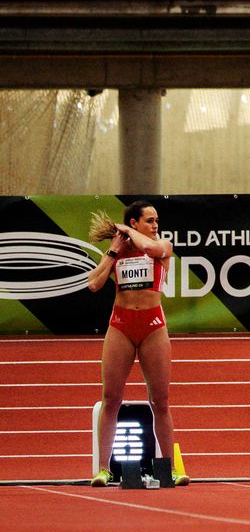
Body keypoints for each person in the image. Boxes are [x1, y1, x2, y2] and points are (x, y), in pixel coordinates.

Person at [85, 201, 185, 485]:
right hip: (120, 327)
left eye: (156, 221)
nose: (155, 226)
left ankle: (170, 468)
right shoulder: (120, 252)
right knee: (111, 398)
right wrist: (113, 250)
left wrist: (128, 231)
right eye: (149, 221)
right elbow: (94, 284)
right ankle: (103, 469)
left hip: (153, 327)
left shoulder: (163, 246)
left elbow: (152, 249)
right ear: (135, 223)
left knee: (161, 401)